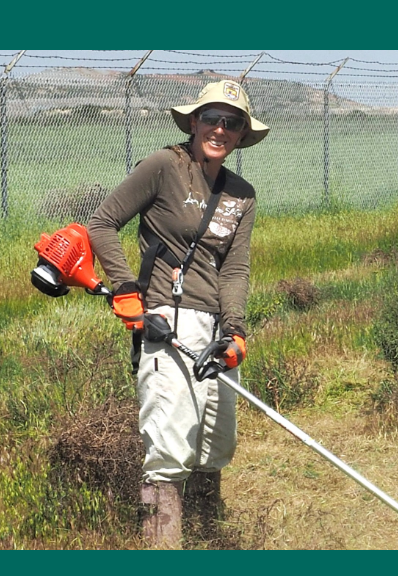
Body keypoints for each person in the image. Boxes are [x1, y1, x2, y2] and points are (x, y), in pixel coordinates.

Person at [87, 80, 269, 548]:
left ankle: (208, 540)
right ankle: (164, 549)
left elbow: (235, 269)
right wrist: (129, 293)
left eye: (232, 123)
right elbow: (103, 223)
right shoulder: (165, 166)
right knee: (169, 447)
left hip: (213, 330)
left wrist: (236, 335)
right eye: (212, 117)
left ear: (242, 134)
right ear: (193, 121)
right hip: (166, 320)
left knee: (215, 442)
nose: (220, 128)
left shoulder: (242, 195)